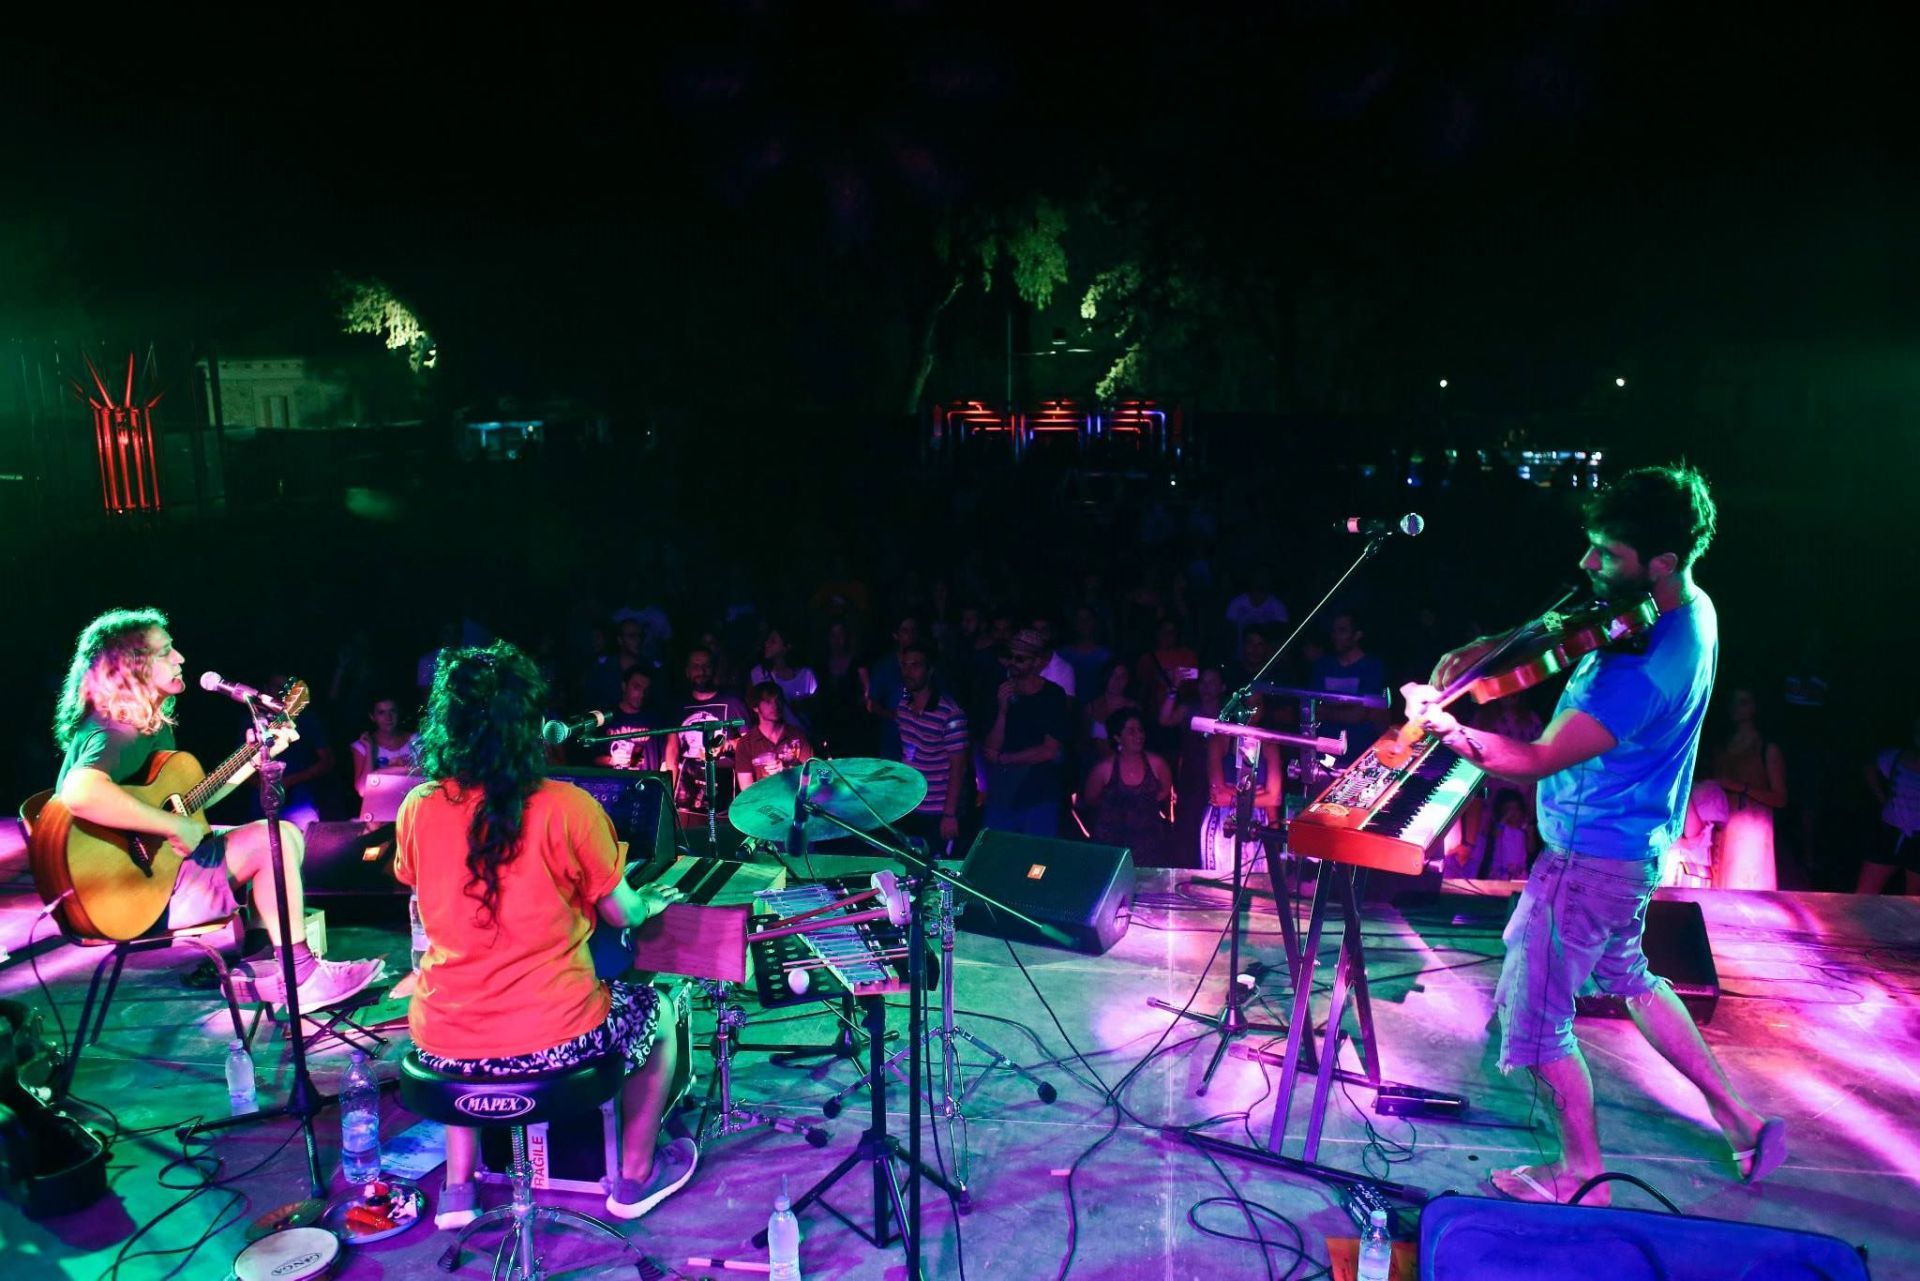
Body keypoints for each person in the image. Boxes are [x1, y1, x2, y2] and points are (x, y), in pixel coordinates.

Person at [1400, 464, 1784, 1205]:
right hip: (1632, 850)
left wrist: (1447, 728)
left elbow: (1535, 759)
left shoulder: (1639, 676)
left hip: (1588, 862)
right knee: (1632, 978)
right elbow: (1565, 630)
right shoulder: (1690, 607)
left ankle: (1580, 1174)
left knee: (1534, 1022)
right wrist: (1493, 648)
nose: (1587, 563)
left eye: (1607, 553)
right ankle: (1743, 1120)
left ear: (1661, 561)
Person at [395, 641, 697, 1227]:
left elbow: (422, 887)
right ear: (530, 725)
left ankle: (459, 1189)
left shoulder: (418, 807)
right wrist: (649, 901)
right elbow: (621, 914)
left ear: (447, 725)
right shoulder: (567, 806)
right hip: (553, 1043)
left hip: (443, 1044)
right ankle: (635, 1176)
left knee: (464, 1019)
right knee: (659, 1011)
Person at [50, 607, 384, 1011]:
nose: (180, 658)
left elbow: (187, 805)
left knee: (283, 835)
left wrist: (254, 757)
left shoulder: (142, 725)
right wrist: (171, 826)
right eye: (165, 652)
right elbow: (80, 792)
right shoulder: (118, 729)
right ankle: (299, 975)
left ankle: (268, 963)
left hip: (152, 879)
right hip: (136, 894)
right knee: (274, 839)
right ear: (131, 667)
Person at [982, 628, 1071, 837]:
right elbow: (990, 749)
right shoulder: (998, 690)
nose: (1012, 663)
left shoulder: (1053, 695)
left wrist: (1006, 759)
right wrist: (1002, 711)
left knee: (1035, 855)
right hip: (1002, 794)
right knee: (998, 851)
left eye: (1020, 658)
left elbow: (1049, 750)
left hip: (1039, 794)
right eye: (1010, 656)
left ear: (1037, 661)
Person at [892, 641, 971, 854]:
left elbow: (958, 767)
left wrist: (949, 814)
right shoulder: (903, 705)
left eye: (915, 665)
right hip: (910, 805)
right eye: (905, 665)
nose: (908, 672)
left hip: (937, 810)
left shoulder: (950, 713)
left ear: (930, 670)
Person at [661, 646, 748, 822]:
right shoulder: (678, 706)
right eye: (696, 666)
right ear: (687, 672)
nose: (701, 671)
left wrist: (727, 745)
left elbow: (750, 743)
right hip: (686, 790)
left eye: (706, 666)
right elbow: (672, 751)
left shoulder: (732, 702)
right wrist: (668, 791)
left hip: (724, 788)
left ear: (714, 669)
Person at [1082, 708, 1174, 865]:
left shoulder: (1157, 764)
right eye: (1131, 731)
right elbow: (1090, 798)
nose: (1139, 735)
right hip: (1113, 845)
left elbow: (1165, 791)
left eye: (1140, 730)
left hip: (1149, 845)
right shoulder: (1104, 769)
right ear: (1117, 737)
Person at [1858, 714, 1920, 895]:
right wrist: (1881, 797)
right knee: (1864, 894)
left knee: (1913, 900)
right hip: (1890, 832)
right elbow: (1869, 766)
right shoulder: (1895, 757)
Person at [734, 681, 813, 793]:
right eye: (768, 702)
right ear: (755, 707)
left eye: (778, 700)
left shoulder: (797, 735)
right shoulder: (745, 743)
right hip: (763, 801)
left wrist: (786, 770)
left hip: (794, 797)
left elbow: (811, 776)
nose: (775, 706)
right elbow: (747, 790)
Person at [594, 666, 664, 773]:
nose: (642, 694)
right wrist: (612, 760)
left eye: (646, 690)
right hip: (615, 781)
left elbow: (665, 760)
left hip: (646, 782)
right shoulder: (607, 718)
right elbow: (593, 758)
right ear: (624, 686)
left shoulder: (656, 719)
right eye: (637, 687)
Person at [350, 694, 418, 798]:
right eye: (381, 712)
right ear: (372, 717)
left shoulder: (415, 740)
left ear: (398, 713)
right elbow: (363, 790)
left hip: (412, 802)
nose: (388, 718)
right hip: (379, 804)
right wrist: (369, 750)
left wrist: (380, 772)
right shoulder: (362, 746)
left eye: (392, 711)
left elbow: (425, 778)